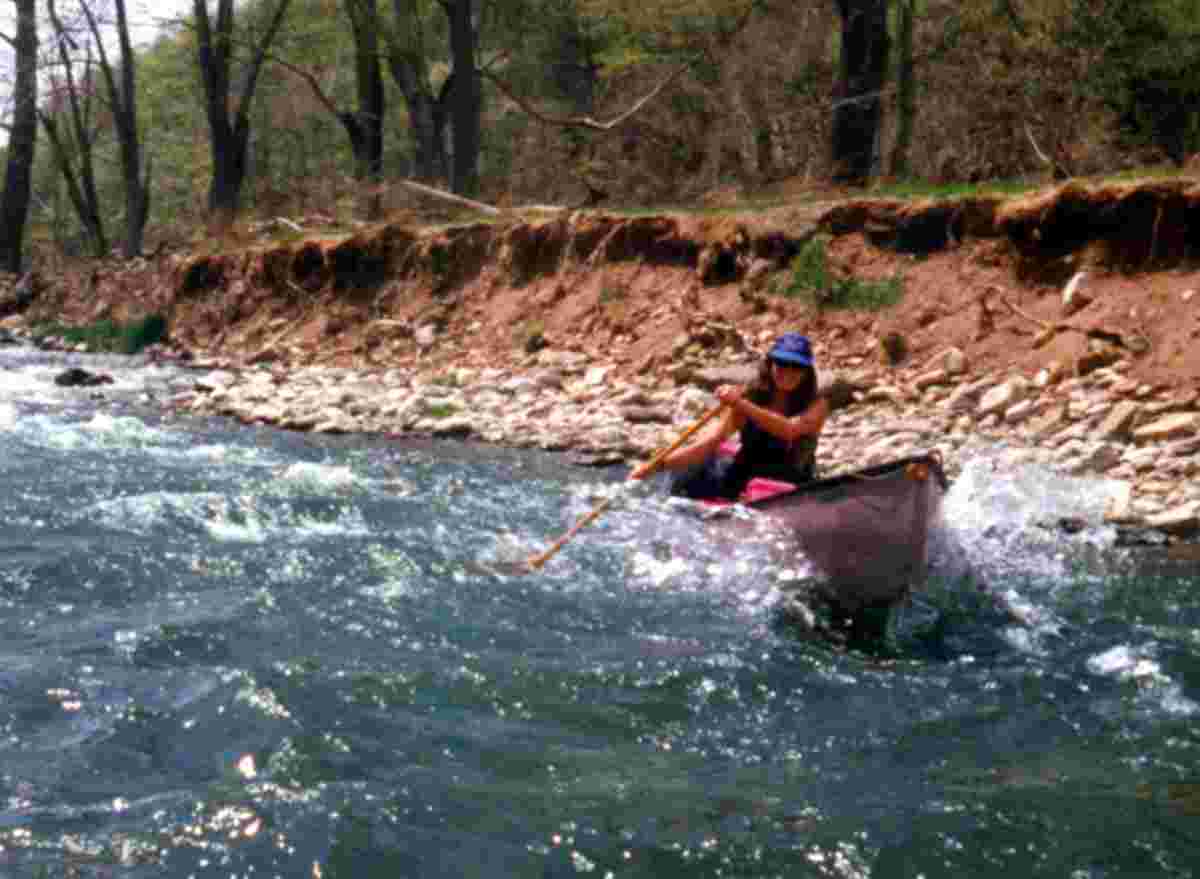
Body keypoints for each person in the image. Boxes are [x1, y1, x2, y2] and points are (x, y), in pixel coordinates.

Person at [630, 332, 830, 500]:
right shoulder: (749, 397)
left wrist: (740, 404)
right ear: (770, 365)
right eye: (782, 363)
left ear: (806, 372)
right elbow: (711, 442)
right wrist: (657, 466)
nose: (788, 371)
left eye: (796, 366)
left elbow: (789, 430)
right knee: (688, 478)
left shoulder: (816, 405)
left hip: (789, 484)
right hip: (742, 477)